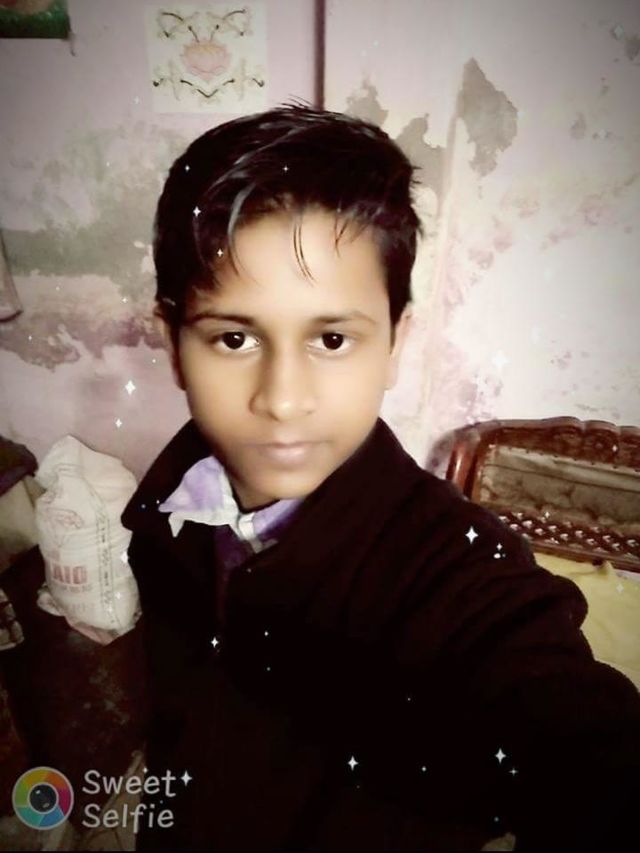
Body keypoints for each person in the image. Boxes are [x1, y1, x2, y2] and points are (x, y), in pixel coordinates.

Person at [121, 102, 640, 851]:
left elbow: (575, 738)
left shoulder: (453, 574)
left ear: (396, 343)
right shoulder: (169, 501)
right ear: (173, 343)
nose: (284, 400)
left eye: (332, 339)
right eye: (234, 339)